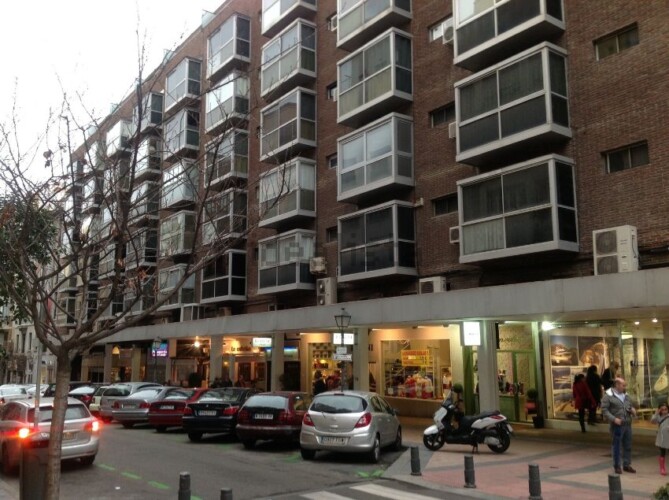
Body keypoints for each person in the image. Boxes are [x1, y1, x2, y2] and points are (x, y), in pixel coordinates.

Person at [601, 377, 637, 474]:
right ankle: (617, 466)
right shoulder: (608, 395)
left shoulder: (626, 395)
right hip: (617, 425)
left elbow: (629, 406)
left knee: (628, 445)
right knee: (617, 446)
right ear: (617, 385)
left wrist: (632, 410)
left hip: (627, 423)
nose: (625, 387)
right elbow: (604, 410)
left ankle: (627, 464)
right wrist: (614, 419)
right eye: (623, 385)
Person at [651, 402, 669, 476]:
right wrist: (656, 413)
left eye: (666, 409)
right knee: (662, 452)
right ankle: (662, 468)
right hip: (662, 437)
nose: (664, 411)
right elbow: (653, 421)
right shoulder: (658, 416)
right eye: (662, 409)